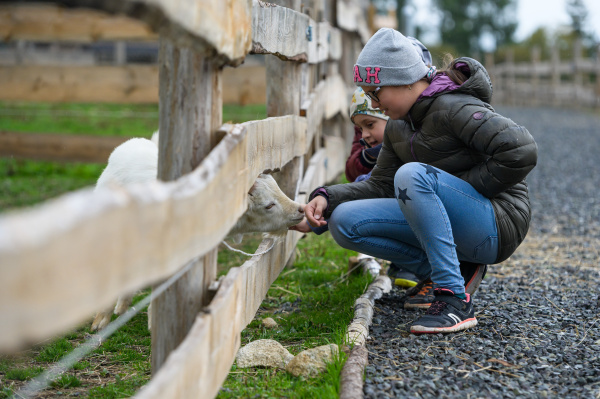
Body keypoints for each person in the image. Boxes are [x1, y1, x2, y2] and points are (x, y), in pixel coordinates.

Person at [303, 28, 538, 334]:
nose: (373, 104)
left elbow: (521, 149)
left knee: (412, 175)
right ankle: (451, 270)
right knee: (345, 221)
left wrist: (463, 186)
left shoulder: (455, 107)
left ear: (405, 79)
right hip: (455, 219)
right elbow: (382, 185)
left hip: (497, 222)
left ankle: (454, 300)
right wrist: (329, 198)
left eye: (376, 92)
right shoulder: (399, 126)